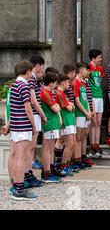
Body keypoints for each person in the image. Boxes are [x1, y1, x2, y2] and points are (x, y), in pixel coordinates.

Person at [6, 61, 38, 200]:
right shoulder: (24, 86)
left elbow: (12, 109)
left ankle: (17, 186)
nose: (31, 75)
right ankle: (19, 189)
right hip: (23, 125)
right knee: (21, 157)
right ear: (27, 71)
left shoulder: (13, 85)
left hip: (16, 125)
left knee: (18, 156)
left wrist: (9, 125)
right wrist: (34, 126)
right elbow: (28, 108)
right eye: (31, 72)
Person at [40, 72, 62, 183]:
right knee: (48, 149)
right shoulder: (45, 93)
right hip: (50, 123)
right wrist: (57, 106)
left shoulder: (47, 92)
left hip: (51, 122)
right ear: (51, 83)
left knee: (49, 148)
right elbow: (56, 108)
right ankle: (47, 172)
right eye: (55, 83)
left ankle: (48, 170)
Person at [27, 55, 46, 184]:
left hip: (36, 114)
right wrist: (43, 114)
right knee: (31, 147)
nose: (42, 69)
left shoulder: (35, 80)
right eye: (42, 66)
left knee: (32, 147)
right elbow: (33, 101)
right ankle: (28, 175)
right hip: (34, 114)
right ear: (37, 65)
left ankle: (29, 174)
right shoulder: (31, 80)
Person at [54, 74, 77, 176]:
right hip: (66, 120)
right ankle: (63, 166)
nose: (69, 84)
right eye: (68, 82)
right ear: (63, 82)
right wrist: (71, 105)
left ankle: (66, 165)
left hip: (70, 120)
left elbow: (70, 105)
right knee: (69, 143)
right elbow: (68, 107)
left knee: (72, 143)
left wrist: (71, 105)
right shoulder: (59, 93)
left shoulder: (62, 93)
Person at [88, 49, 106, 157]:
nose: (100, 59)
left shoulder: (100, 69)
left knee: (98, 123)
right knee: (93, 123)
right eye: (99, 58)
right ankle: (92, 147)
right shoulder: (89, 68)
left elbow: (100, 82)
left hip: (99, 96)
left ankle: (97, 146)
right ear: (93, 58)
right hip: (93, 97)